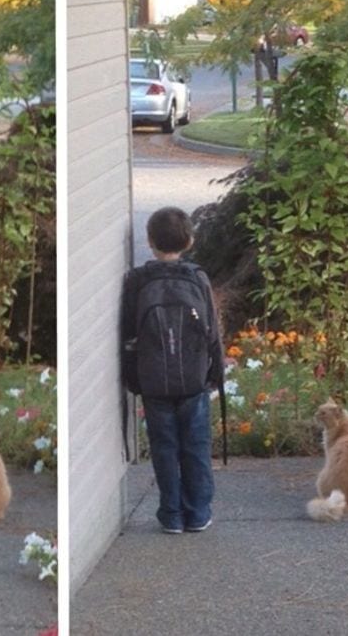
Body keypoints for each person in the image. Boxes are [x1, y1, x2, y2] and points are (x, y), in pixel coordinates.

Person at [121, 206, 224, 534]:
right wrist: (215, 374)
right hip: (193, 380)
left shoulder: (138, 280)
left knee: (164, 448)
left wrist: (132, 378)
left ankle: (171, 514)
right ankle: (198, 513)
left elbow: (127, 334)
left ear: (150, 242)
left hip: (154, 383)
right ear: (190, 240)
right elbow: (213, 333)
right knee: (195, 447)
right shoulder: (197, 278)